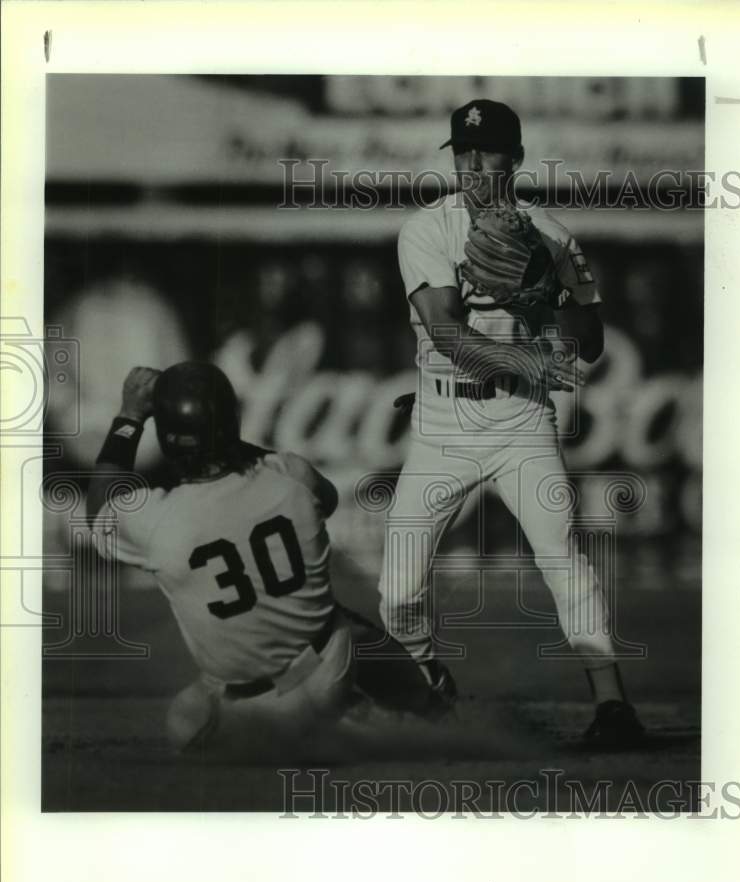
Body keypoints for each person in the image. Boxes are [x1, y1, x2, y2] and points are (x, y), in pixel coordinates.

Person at [379, 98, 645, 748]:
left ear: (516, 158)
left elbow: (593, 340)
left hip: (521, 421)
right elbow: (447, 334)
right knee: (396, 592)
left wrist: (542, 295)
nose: (472, 163)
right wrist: (532, 352)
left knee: (562, 554)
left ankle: (612, 705)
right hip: (444, 422)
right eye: (462, 151)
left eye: (487, 150)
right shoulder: (426, 229)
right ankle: (430, 681)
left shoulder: (552, 235)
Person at [86, 362, 445, 761]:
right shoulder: (290, 473)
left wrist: (130, 416)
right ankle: (418, 708)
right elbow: (320, 498)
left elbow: (100, 504)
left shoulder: (155, 520)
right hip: (331, 666)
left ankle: (336, 728)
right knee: (345, 625)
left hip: (252, 707)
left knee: (185, 722)